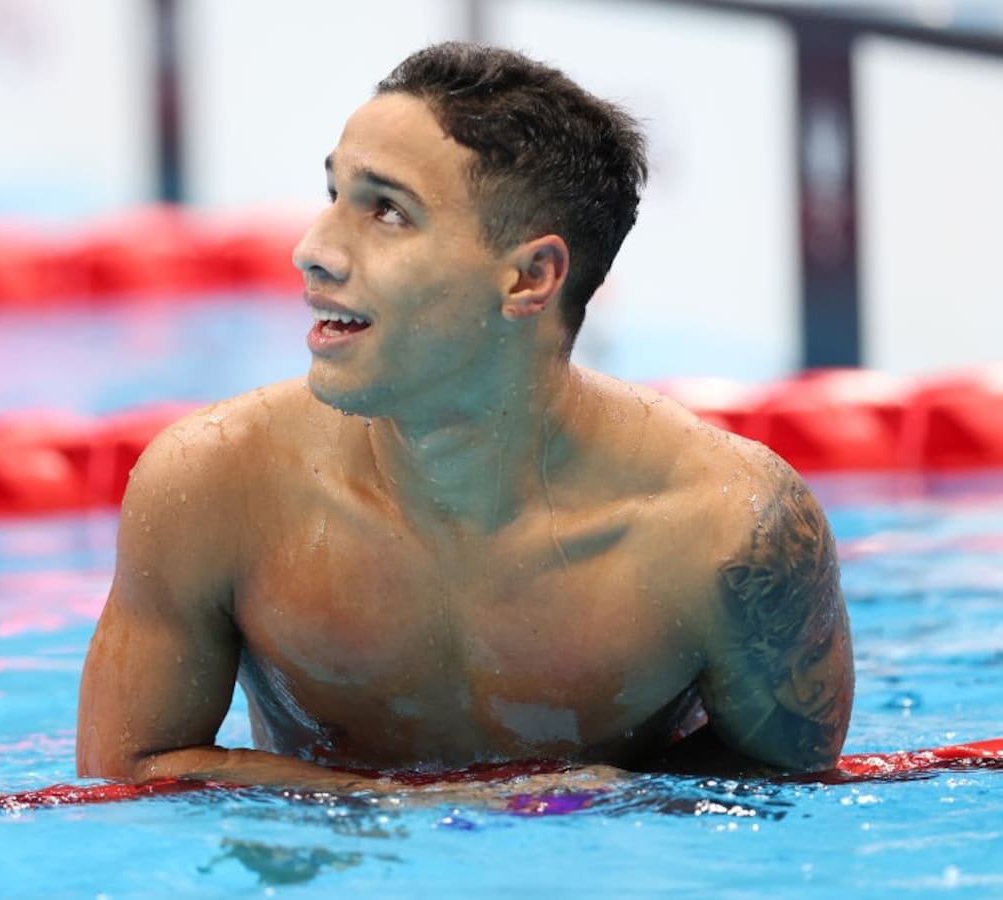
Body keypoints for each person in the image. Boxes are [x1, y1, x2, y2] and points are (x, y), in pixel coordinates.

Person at [76, 42, 854, 796]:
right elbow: (126, 781)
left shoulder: (727, 531)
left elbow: (790, 789)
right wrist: (435, 807)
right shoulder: (219, 485)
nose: (312, 250)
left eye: (387, 212)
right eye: (334, 195)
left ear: (529, 278)